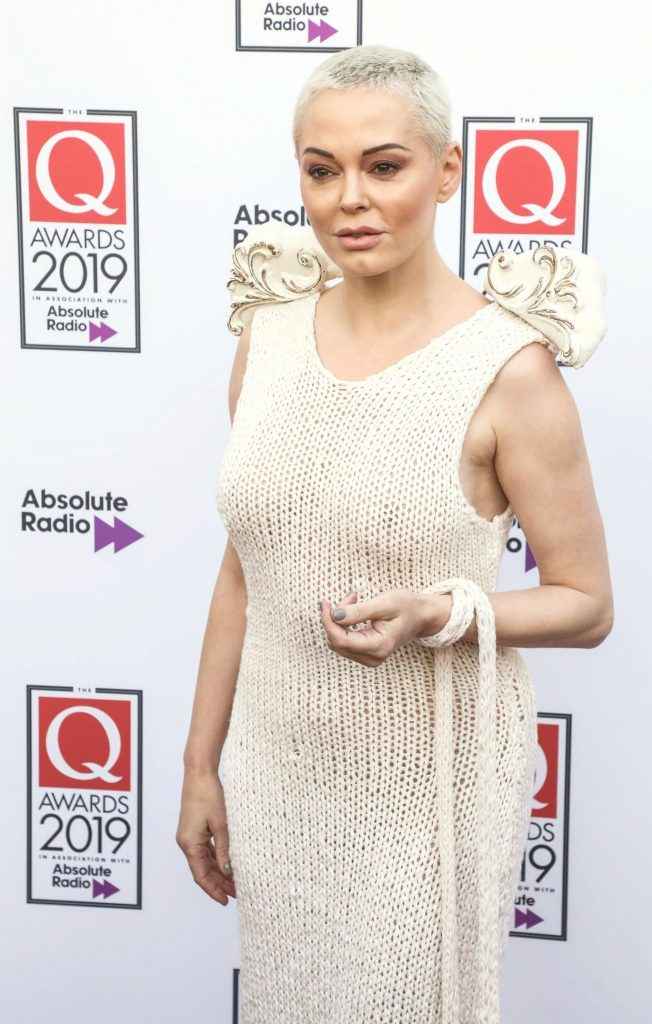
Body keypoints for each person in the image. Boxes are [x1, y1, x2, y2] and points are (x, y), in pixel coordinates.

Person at [176, 43, 614, 1024]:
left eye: (384, 166)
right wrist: (200, 766)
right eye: (320, 169)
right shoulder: (266, 340)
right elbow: (244, 573)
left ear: (446, 170)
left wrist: (439, 612)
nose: (350, 200)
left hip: (425, 792)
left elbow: (587, 604)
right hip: (277, 772)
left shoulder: (508, 370)